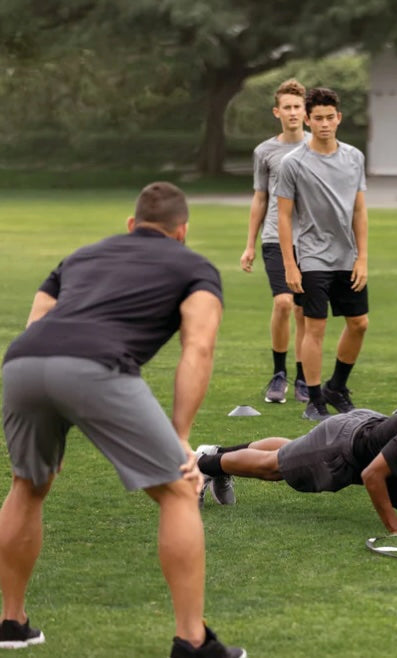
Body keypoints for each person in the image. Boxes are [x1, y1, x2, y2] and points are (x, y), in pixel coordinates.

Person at [0, 183, 244, 657]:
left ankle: (11, 623)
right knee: (177, 488)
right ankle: (193, 642)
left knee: (27, 484)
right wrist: (181, 437)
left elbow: (38, 320)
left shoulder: (81, 256)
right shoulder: (194, 266)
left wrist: (51, 408)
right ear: (182, 231)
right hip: (96, 365)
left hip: (23, 362)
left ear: (131, 225)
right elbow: (199, 347)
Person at [195, 370, 397, 536]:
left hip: (363, 428)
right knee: (274, 467)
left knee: (293, 449)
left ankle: (217, 455)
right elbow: (372, 475)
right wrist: (396, 528)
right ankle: (203, 464)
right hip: (343, 449)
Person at [276, 87, 369, 421]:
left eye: (330, 117)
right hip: (313, 257)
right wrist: (290, 264)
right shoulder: (293, 163)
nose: (325, 124)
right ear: (307, 119)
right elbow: (284, 217)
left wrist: (362, 258)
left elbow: (360, 211)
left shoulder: (354, 158)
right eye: (318, 118)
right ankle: (314, 400)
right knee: (315, 327)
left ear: (339, 118)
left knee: (359, 324)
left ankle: (336, 387)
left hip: (348, 257)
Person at [240, 78, 310, 405]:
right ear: (277, 111)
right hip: (273, 238)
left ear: (305, 111)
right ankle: (278, 374)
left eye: (298, 107)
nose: (293, 112)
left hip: (311, 242)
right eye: (288, 107)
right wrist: (250, 244)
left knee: (303, 312)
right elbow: (259, 199)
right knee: (283, 303)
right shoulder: (265, 152)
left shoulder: (319, 146)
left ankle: (303, 378)